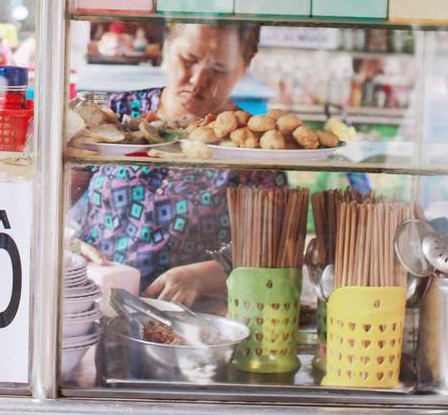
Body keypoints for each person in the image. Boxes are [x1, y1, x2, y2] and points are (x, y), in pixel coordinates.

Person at [72, 22, 287, 306]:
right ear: (166, 48)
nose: (198, 81)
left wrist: (205, 275)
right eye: (189, 60)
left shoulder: (251, 142)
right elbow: (56, 198)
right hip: (93, 302)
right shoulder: (116, 115)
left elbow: (273, 248)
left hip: (193, 320)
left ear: (244, 66)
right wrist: (70, 245)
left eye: (219, 69)